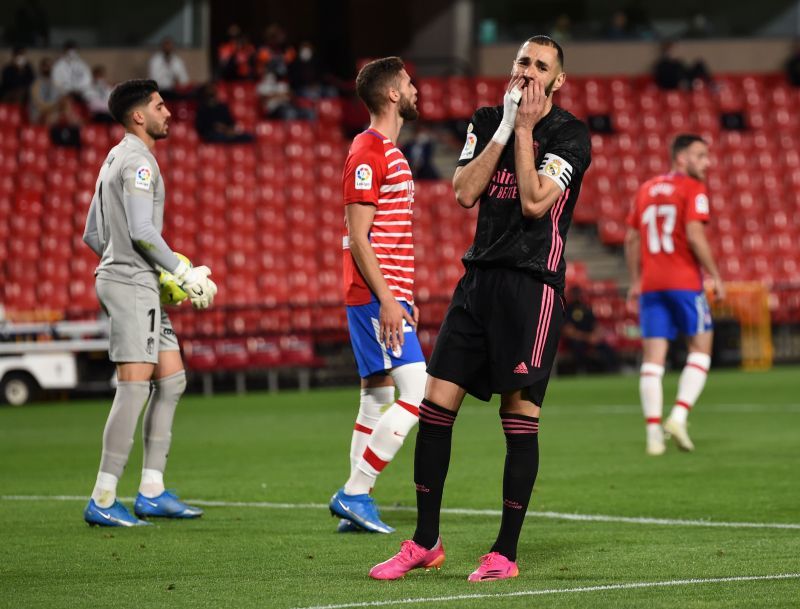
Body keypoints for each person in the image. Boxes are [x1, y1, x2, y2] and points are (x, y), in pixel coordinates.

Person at [370, 35, 591, 581]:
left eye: (542, 67)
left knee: (517, 420)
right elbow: (465, 191)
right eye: (523, 62)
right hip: (478, 283)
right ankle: (425, 542)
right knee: (434, 408)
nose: (530, 73)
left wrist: (524, 130)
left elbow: (536, 202)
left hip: (532, 288)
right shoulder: (487, 118)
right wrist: (506, 125)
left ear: (558, 82)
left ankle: (505, 553)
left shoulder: (569, 134)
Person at [81, 79, 218, 527]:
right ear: (139, 115)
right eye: (160, 106)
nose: (169, 113)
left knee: (172, 379)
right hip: (131, 285)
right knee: (135, 386)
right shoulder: (139, 162)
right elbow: (141, 231)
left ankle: (152, 490)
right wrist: (180, 273)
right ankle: (103, 498)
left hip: (134, 282)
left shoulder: (113, 157)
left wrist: (133, 269)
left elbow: (92, 235)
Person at [328, 57, 426, 534]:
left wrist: (403, 295)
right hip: (373, 296)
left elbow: (389, 235)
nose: (415, 89)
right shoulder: (368, 151)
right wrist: (388, 300)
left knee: (376, 395)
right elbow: (359, 237)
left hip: (383, 293)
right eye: (408, 83)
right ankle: (355, 490)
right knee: (419, 392)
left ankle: (355, 504)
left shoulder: (387, 151)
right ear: (392, 94)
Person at [624, 134, 724, 456]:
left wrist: (636, 280)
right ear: (681, 158)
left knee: (653, 361)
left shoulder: (645, 189)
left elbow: (631, 239)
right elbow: (695, 236)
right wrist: (715, 275)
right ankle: (678, 416)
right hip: (684, 282)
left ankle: (653, 432)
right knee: (701, 350)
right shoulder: (693, 189)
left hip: (652, 284)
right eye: (700, 156)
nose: (707, 163)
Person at [562, 284, 618, 373]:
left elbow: (596, 325)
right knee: (577, 346)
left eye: (578, 294)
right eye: (575, 294)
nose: (577, 296)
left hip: (590, 338)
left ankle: (612, 370)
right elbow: (568, 331)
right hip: (578, 339)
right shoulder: (567, 309)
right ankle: (582, 370)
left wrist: (596, 336)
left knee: (607, 348)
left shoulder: (586, 308)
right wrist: (588, 337)